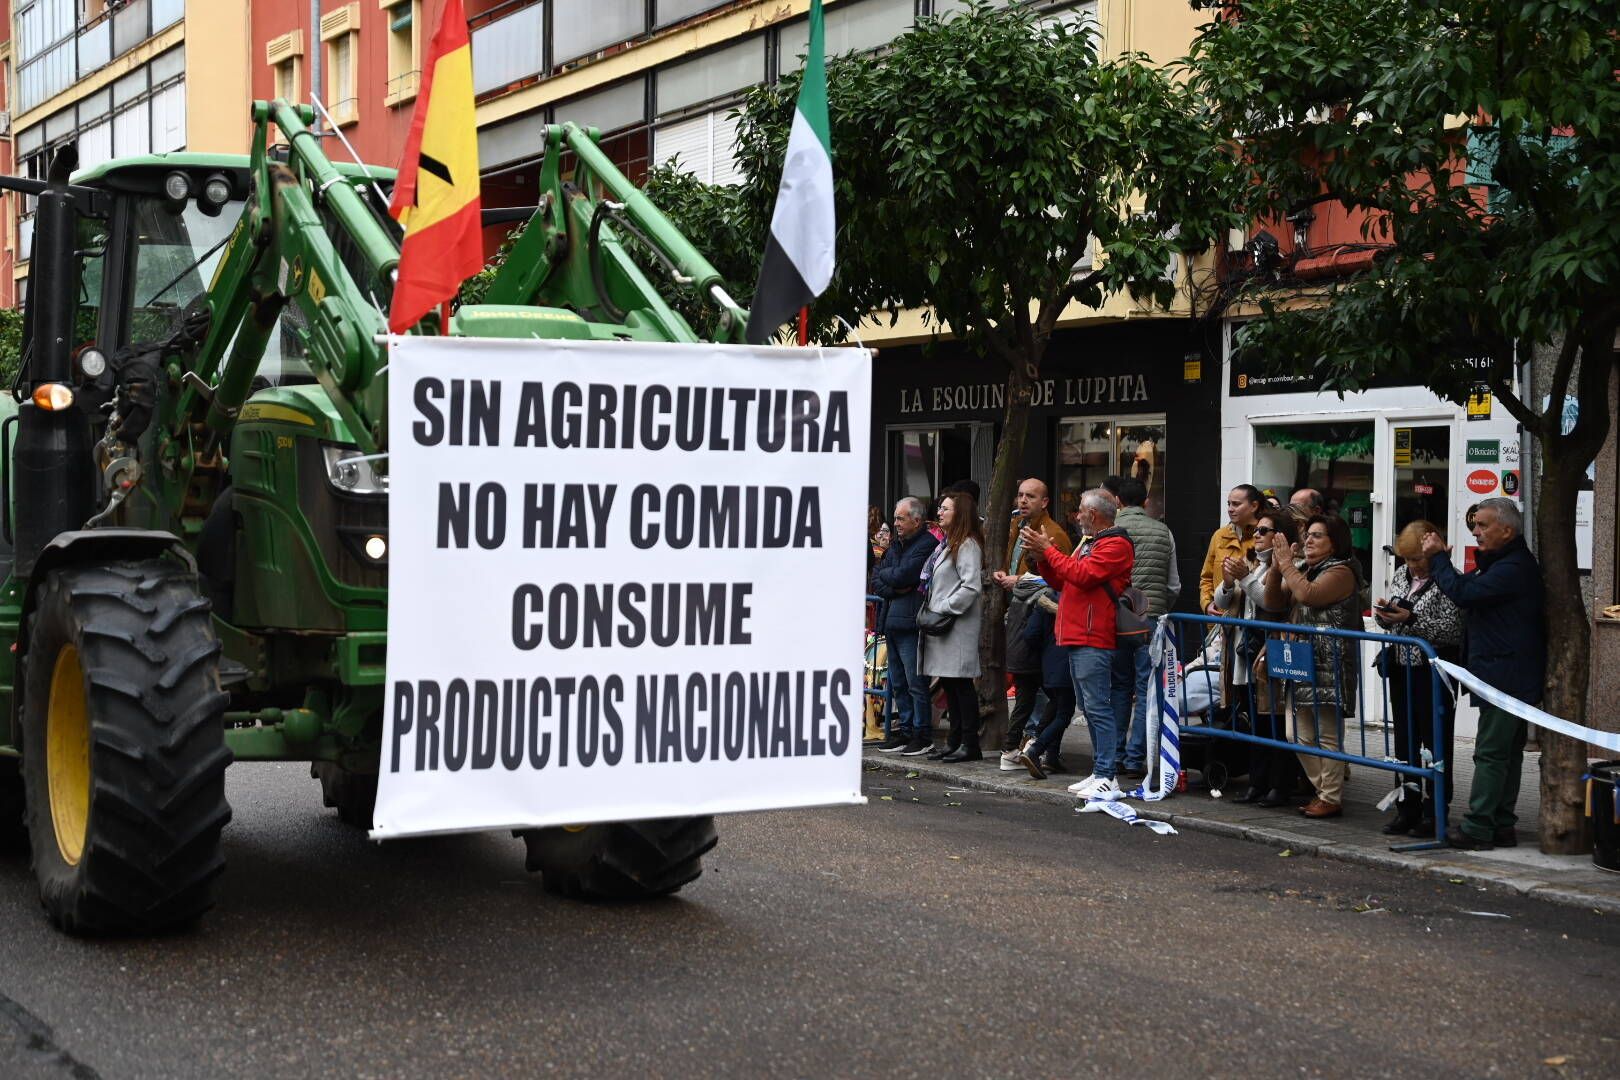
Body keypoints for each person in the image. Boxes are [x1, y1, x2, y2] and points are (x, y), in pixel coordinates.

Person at [1421, 497, 1545, 850]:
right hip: (1505, 672)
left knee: (1492, 752)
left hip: (1507, 676)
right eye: (1474, 525)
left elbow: (1464, 593)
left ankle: (1478, 827)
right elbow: (1469, 587)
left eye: (1483, 525)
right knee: (1506, 752)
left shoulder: (1514, 567)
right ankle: (1500, 824)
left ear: (1507, 530)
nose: (1476, 531)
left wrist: (1438, 559)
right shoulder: (1501, 563)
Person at [1013, 490, 1134, 796]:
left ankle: (1107, 774)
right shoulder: (1092, 543)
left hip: (1093, 635)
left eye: (1080, 511)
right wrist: (1043, 560)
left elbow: (1081, 575)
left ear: (1093, 515)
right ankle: (1100, 772)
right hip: (1078, 634)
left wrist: (1048, 552)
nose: (1076, 516)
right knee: (1089, 707)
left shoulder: (1116, 544)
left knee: (1097, 707)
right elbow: (1063, 581)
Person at [1264, 514, 1365, 818]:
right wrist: (1274, 567)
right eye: (1307, 534)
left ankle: (1330, 796)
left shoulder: (1342, 572)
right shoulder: (1304, 570)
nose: (1308, 540)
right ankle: (1326, 789)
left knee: (1328, 735)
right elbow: (1272, 602)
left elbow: (1310, 595)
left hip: (1329, 662)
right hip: (1301, 661)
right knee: (1297, 735)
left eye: (1317, 535)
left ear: (1335, 543)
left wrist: (1285, 565)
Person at [1373, 520, 1463, 836]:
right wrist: (1387, 616)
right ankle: (1406, 808)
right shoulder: (1401, 574)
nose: (1412, 566)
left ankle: (1435, 811)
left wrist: (1411, 619)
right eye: (1407, 559)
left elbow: (1452, 630)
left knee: (1436, 742)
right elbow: (1394, 621)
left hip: (1433, 672)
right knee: (1405, 741)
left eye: (1417, 559)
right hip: (1402, 668)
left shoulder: (1448, 580)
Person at [1215, 507, 1298, 806]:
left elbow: (1271, 602)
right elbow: (1223, 601)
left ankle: (1279, 786)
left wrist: (1246, 578)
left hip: (1270, 653)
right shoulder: (1250, 563)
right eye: (1256, 531)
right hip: (1243, 654)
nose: (1257, 536)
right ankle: (1256, 782)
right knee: (1254, 722)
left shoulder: (1287, 566)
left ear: (1281, 536)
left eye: (1264, 531)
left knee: (1274, 722)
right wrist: (1227, 582)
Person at [992, 479, 1073, 769]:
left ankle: (1037, 746)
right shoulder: (1018, 526)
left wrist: (1020, 580)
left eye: (1031, 496)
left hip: (1041, 618)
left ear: (1045, 502)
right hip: (1019, 614)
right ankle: (1031, 746)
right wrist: (1006, 575)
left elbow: (1063, 578)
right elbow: (1018, 566)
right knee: (1028, 685)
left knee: (1043, 688)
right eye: (1021, 495)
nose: (1023, 501)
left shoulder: (1054, 534)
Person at [918, 491, 987, 760]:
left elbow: (971, 586)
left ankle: (970, 743)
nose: (939, 513)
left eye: (945, 509)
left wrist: (943, 607)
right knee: (950, 684)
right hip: (946, 626)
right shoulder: (949, 544)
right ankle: (955, 739)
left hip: (956, 626)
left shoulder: (967, 544)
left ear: (959, 513)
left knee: (961, 686)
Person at [868, 498, 941, 754]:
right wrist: (896, 584)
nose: (895, 523)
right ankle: (906, 730)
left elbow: (903, 575)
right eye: (896, 518)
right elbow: (878, 578)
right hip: (891, 620)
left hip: (911, 623)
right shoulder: (897, 545)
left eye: (900, 518)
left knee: (915, 681)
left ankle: (922, 734)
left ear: (916, 520)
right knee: (897, 681)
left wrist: (895, 580)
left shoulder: (927, 544)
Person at [1111, 477, 1173, 778]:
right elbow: (1173, 584)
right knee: (1146, 688)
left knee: (1119, 687)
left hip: (1114, 617)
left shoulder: (1108, 532)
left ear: (1118, 502)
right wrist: (1159, 606)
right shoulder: (1163, 532)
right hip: (1151, 619)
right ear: (1145, 502)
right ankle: (1137, 758)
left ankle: (1117, 755)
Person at [1201, 485, 1264, 615]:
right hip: (1219, 621)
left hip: (1250, 621)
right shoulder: (1219, 535)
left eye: (1236, 504)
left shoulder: (1263, 537)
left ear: (1254, 506)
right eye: (1229, 504)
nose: (1230, 509)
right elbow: (1206, 577)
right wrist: (1207, 603)